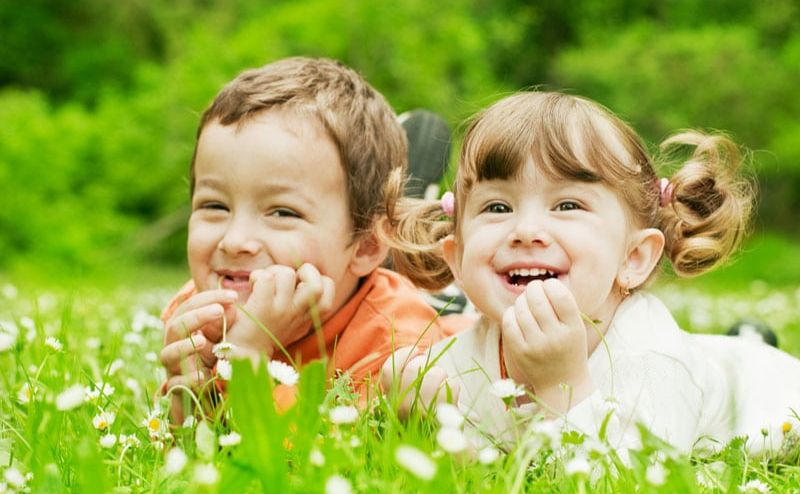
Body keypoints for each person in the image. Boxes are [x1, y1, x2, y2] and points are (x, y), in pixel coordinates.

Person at [383, 90, 800, 455]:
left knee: (730, 366)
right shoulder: (471, 350)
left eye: (567, 206)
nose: (526, 231)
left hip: (769, 386)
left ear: (633, 258)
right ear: (457, 259)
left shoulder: (651, 361)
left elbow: (625, 476)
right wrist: (416, 410)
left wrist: (560, 386)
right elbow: (476, 453)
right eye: (498, 207)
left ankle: (748, 342)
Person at [159, 57, 471, 421]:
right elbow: (186, 457)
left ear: (367, 245)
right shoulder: (200, 311)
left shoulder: (395, 345)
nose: (234, 241)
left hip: (439, 317)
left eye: (282, 212)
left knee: (451, 299)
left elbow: (313, 458)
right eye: (214, 205)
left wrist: (246, 355)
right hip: (357, 251)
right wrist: (186, 401)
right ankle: (397, 204)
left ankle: (426, 242)